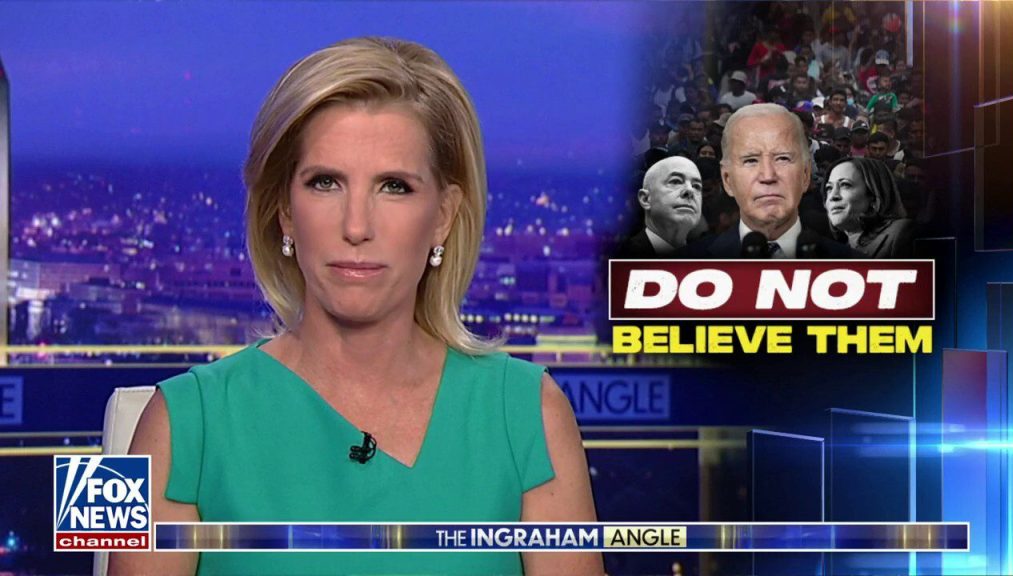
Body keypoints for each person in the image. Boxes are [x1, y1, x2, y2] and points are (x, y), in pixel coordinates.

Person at [110, 37, 602, 576]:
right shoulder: (174, 421)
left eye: (394, 186)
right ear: (285, 211)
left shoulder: (531, 412)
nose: (356, 227)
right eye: (325, 183)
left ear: (443, 215)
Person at [688, 103, 855, 258]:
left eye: (782, 158)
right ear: (727, 180)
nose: (768, 176)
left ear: (805, 175)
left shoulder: (854, 268)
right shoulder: (685, 266)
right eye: (751, 160)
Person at [823, 157, 914, 258]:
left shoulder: (900, 232)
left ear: (873, 195)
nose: (833, 196)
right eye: (829, 188)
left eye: (845, 185)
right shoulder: (835, 249)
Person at [619, 156, 704, 257]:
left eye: (696, 186)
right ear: (645, 199)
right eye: (675, 181)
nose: (690, 190)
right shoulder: (618, 258)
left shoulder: (708, 256)